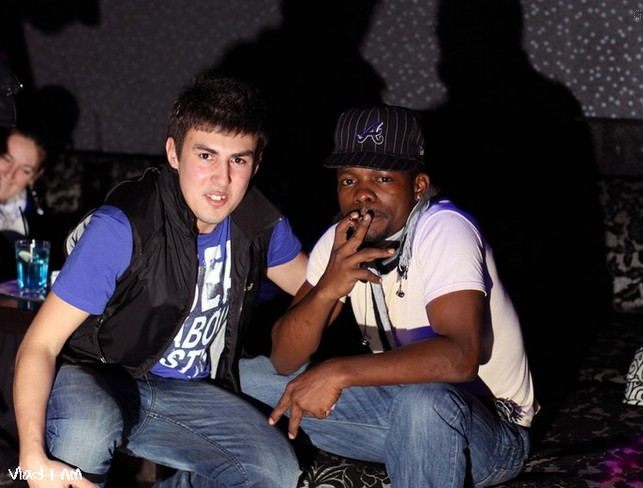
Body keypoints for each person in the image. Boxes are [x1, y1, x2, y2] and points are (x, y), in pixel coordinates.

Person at [13, 74, 307, 488]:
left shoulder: (260, 223)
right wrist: (30, 456)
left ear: (255, 164)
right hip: (101, 377)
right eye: (206, 155)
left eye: (238, 160)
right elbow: (40, 344)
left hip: (189, 393)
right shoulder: (124, 226)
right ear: (174, 152)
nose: (221, 180)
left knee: (275, 472)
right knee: (83, 436)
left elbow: (313, 287)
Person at [240, 104, 538, 487]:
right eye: (349, 180)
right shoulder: (340, 239)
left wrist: (338, 372)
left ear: (418, 186)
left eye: (382, 178)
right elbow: (284, 359)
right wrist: (327, 288)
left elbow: (460, 357)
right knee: (243, 378)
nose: (362, 194)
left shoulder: (445, 228)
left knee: (424, 402)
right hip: (398, 410)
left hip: (489, 428)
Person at [0, 126, 47, 280]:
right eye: (6, 159)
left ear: (34, 177)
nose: (9, 174)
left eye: (25, 170)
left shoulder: (39, 221)